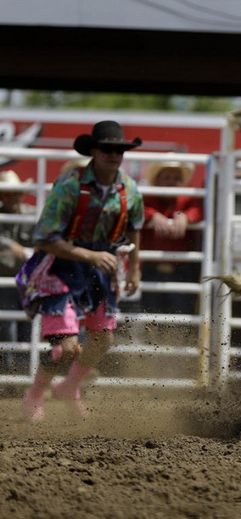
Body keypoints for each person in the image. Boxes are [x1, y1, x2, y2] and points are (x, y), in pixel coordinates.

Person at [17, 120, 143, 422]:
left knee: (103, 338)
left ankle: (69, 387)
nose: (115, 155)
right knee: (67, 349)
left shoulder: (129, 187)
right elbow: (44, 237)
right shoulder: (70, 184)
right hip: (61, 268)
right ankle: (35, 394)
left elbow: (134, 227)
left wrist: (135, 268)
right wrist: (90, 254)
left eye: (120, 149)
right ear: (95, 151)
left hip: (101, 268)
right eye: (108, 149)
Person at [139, 160, 204, 319]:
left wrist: (186, 217)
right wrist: (152, 215)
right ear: (157, 181)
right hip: (151, 269)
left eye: (176, 179)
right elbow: (137, 208)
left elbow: (198, 210)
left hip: (181, 270)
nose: (172, 183)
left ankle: (179, 342)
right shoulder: (148, 198)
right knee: (151, 317)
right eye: (167, 178)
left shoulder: (188, 199)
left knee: (181, 318)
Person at [0, 169, 36, 373]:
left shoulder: (32, 214)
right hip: (5, 282)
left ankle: (22, 373)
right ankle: (9, 372)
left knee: (28, 327)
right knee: (7, 327)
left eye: (15, 193)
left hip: (27, 281)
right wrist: (7, 244)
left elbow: (46, 237)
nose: (12, 197)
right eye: (7, 193)